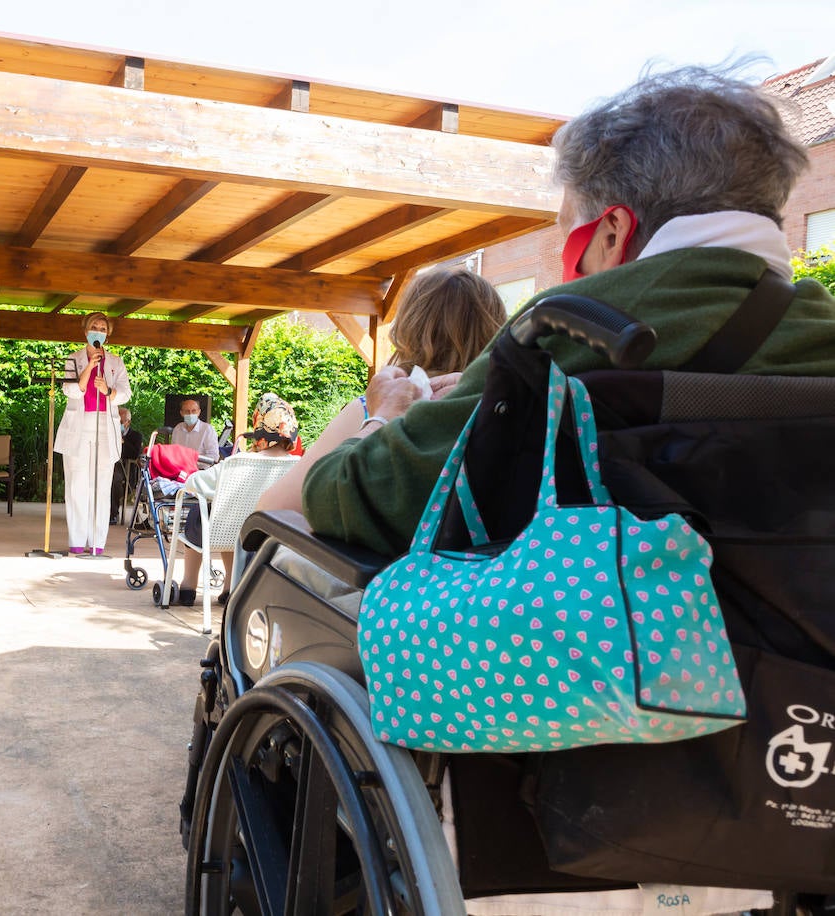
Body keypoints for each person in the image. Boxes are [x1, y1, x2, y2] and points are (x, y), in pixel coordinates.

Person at [260, 66, 835, 558]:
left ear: (612, 231)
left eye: (568, 238)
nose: (567, 266)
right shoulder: (817, 329)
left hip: (592, 672)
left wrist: (383, 418)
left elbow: (360, 494)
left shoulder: (571, 326)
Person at [257, 267, 504, 518]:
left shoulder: (373, 408)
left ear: (406, 332)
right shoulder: (511, 412)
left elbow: (274, 509)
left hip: (383, 558)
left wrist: (377, 420)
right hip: (493, 555)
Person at [175, 396, 300, 608]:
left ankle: (188, 585)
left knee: (202, 511)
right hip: (266, 535)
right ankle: (230, 588)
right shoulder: (298, 465)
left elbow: (194, 483)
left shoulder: (237, 463)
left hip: (226, 530)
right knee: (234, 520)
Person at [53, 312, 131, 556]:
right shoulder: (73, 358)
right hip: (79, 425)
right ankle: (77, 542)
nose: (99, 330)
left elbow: (126, 393)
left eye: (103, 327)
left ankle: (97, 544)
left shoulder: (116, 362)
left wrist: (108, 391)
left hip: (105, 426)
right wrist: (90, 366)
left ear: (108, 333)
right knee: (77, 485)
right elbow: (71, 391)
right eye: (95, 326)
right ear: (86, 330)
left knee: (101, 486)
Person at [108, 405, 143, 526]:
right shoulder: (108, 433)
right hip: (109, 466)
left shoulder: (136, 436)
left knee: (114, 479)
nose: (119, 424)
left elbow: (135, 454)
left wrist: (123, 440)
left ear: (128, 422)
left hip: (127, 473)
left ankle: (112, 513)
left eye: (121, 421)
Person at [170, 398, 219, 463]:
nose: (190, 414)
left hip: (200, 470)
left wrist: (192, 463)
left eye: (194, 411)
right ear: (181, 413)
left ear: (199, 412)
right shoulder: (178, 429)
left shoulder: (207, 430)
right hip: (180, 469)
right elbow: (173, 452)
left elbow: (214, 457)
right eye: (187, 411)